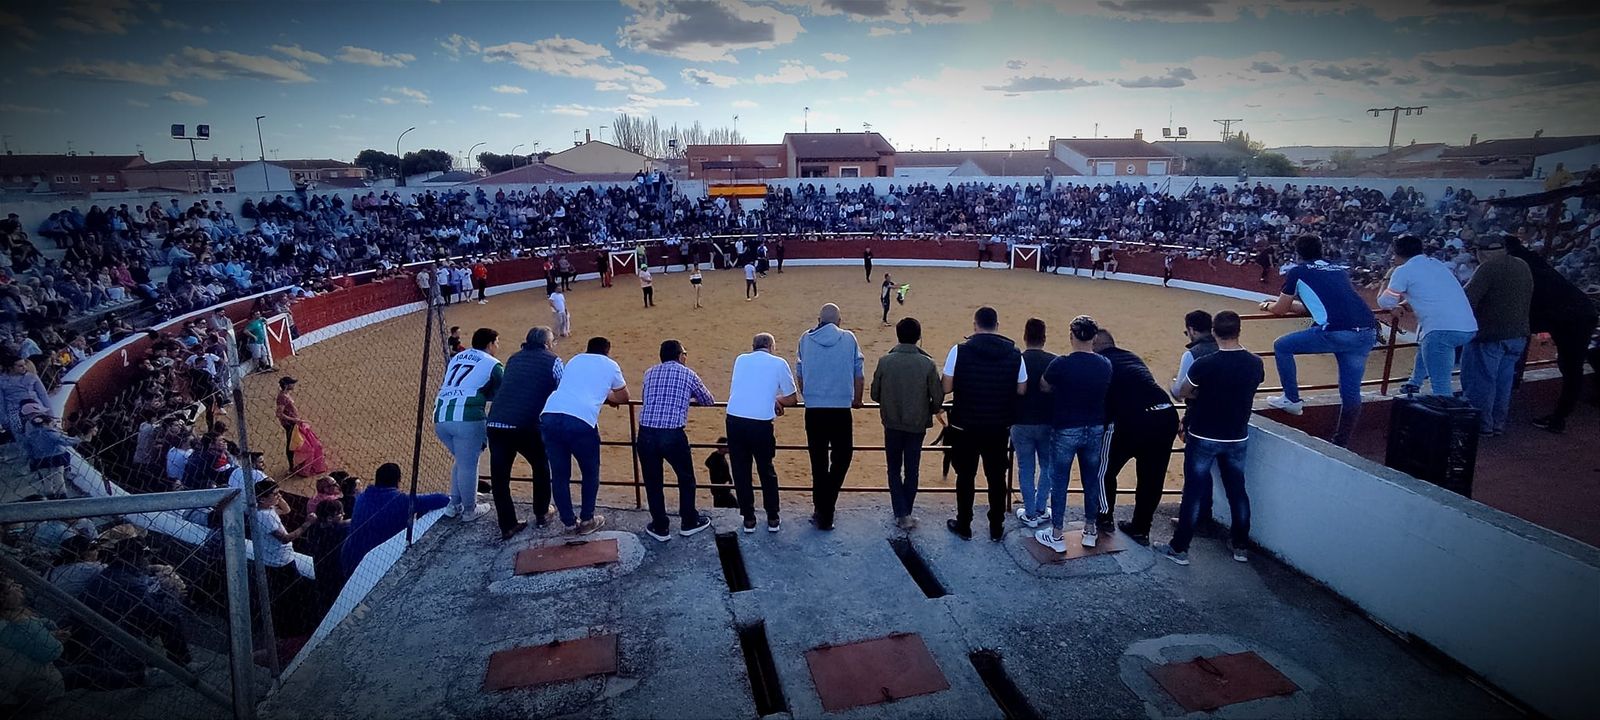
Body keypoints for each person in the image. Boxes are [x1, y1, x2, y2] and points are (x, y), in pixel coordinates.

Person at [1159, 311, 1264, 566]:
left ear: (1214, 332)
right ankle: (1240, 546)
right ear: (1239, 331)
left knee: (1194, 492)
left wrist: (1200, 393)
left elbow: (1183, 393)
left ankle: (1180, 548)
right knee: (1237, 491)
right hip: (1237, 436)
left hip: (1204, 434)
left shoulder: (1205, 364)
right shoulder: (1255, 363)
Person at [1260, 234, 1377, 447]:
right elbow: (1315, 305)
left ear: (1297, 253)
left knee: (1282, 346)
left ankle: (1292, 399)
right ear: (1321, 250)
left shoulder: (1298, 271)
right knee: (1351, 392)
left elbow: (1280, 308)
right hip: (1366, 331)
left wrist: (1268, 305)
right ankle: (1341, 442)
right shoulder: (1337, 269)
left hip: (1336, 331)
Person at [943, 307, 1026, 542]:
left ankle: (964, 524)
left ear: (975, 325)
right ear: (997, 326)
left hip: (965, 426)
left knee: (966, 476)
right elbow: (1022, 388)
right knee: (997, 478)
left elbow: (946, 387)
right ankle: (996, 527)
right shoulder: (1014, 353)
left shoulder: (959, 351)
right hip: (998, 427)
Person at [1092, 329, 1180, 545]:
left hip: (1134, 421)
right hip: (1166, 415)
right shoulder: (1131, 356)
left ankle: (1103, 518)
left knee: (1103, 469)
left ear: (1095, 345)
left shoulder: (1100, 363)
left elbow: (1103, 403)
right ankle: (1141, 529)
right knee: (1152, 477)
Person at [1035, 316, 1113, 552]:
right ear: (1094, 337)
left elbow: (1044, 386)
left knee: (1059, 480)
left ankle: (1057, 533)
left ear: (1071, 336)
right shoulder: (1104, 364)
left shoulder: (1062, 364)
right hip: (1095, 427)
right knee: (1091, 478)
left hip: (1066, 427)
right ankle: (1090, 530)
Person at [1508, 236, 1598, 433]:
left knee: (1571, 367)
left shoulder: (1520, 267)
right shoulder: (1532, 261)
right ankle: (1561, 416)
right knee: (1573, 366)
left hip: (1570, 318)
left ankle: (1559, 418)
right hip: (1576, 314)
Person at [541, 336, 628, 534]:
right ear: (607, 350)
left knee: (560, 474)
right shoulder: (610, 364)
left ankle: (569, 523)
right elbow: (623, 397)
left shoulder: (575, 359)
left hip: (551, 414)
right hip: (581, 419)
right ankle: (587, 519)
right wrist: (606, 395)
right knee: (590, 472)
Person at [486, 327, 563, 540]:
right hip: (525, 424)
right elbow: (562, 388)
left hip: (496, 422)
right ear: (547, 343)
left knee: (499, 477)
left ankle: (508, 525)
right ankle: (541, 512)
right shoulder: (553, 360)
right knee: (540, 465)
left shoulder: (513, 358)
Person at [1378, 235, 1477, 396]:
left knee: (1440, 387)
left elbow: (1385, 301)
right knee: (1427, 342)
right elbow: (1432, 294)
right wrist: (1405, 304)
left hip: (1442, 330)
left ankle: (1448, 416)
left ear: (1396, 254)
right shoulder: (1437, 264)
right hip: (1467, 326)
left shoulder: (1403, 271)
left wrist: (1386, 278)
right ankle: (1414, 382)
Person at [637, 339, 716, 541]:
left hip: (646, 433)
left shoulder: (649, 372)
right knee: (686, 478)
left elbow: (647, 398)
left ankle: (660, 525)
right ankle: (689, 521)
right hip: (672, 433)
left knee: (653, 481)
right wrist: (686, 398)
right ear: (681, 356)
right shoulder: (687, 373)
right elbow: (708, 400)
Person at [871, 317, 944, 529]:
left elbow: (875, 394)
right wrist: (927, 409)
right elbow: (937, 398)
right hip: (916, 424)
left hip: (892, 423)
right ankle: (906, 512)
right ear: (919, 337)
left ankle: (900, 512)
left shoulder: (886, 361)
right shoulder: (927, 363)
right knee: (912, 469)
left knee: (893, 468)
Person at [796, 304, 864, 530]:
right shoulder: (849, 338)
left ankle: (821, 508)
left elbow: (800, 373)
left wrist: (809, 396)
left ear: (819, 319)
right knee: (843, 457)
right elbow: (859, 373)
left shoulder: (805, 339)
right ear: (839, 321)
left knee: (818, 460)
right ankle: (827, 506)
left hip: (814, 409)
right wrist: (857, 399)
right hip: (841, 409)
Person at [1460, 237, 1534, 436]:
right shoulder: (1522, 265)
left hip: (1491, 335)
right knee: (1504, 381)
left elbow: (1467, 300)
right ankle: (1498, 423)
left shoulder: (1487, 268)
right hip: (1518, 334)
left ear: (1481, 252)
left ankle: (1483, 425)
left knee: (1482, 380)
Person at [726, 333, 798, 533]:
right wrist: (778, 401)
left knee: (741, 470)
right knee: (766, 469)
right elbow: (792, 398)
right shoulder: (778, 363)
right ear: (771, 346)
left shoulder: (741, 359)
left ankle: (748, 518)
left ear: (754, 346)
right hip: (760, 423)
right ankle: (772, 517)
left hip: (735, 418)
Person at [433, 328, 504, 520]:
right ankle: (470, 510)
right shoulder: (493, 364)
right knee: (468, 465)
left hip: (441, 415)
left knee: (462, 461)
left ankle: (453, 505)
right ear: (490, 344)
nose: (497, 346)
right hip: (467, 417)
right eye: (496, 342)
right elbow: (502, 390)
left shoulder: (458, 357)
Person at [341, 463, 450, 575]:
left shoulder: (362, 498)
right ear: (398, 480)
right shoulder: (401, 500)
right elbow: (443, 499)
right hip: (374, 563)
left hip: (349, 557)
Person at [252, 480, 316, 635]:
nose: (279, 496)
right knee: (291, 596)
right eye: (275, 494)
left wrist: (276, 496)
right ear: (262, 499)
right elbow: (285, 538)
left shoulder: (264, 508)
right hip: (280, 562)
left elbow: (286, 510)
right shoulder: (265, 516)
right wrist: (307, 524)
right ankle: (290, 628)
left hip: (278, 559)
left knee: (289, 595)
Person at [1011, 318, 1056, 529]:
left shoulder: (1016, 360)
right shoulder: (1054, 361)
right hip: (1048, 423)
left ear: (1025, 337)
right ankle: (1040, 507)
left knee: (1025, 467)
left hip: (1020, 421)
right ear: (1044, 338)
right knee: (1047, 465)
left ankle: (1029, 512)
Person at [302, 499, 349, 615]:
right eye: (340, 513)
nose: (343, 514)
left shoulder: (314, 527)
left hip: (320, 567)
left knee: (324, 594)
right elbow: (349, 523)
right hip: (336, 569)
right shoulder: (339, 531)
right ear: (329, 518)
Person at [275, 376, 302, 471]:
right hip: (289, 424)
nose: (293, 385)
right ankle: (292, 466)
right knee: (291, 443)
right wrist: (293, 419)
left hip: (292, 422)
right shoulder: (282, 397)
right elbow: (279, 414)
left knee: (293, 442)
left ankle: (295, 463)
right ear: (286, 385)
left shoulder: (285, 395)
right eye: (291, 383)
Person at [704, 438, 738, 508]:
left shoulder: (717, 456)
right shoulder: (716, 458)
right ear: (721, 448)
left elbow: (707, 463)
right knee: (734, 505)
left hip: (721, 488)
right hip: (720, 488)